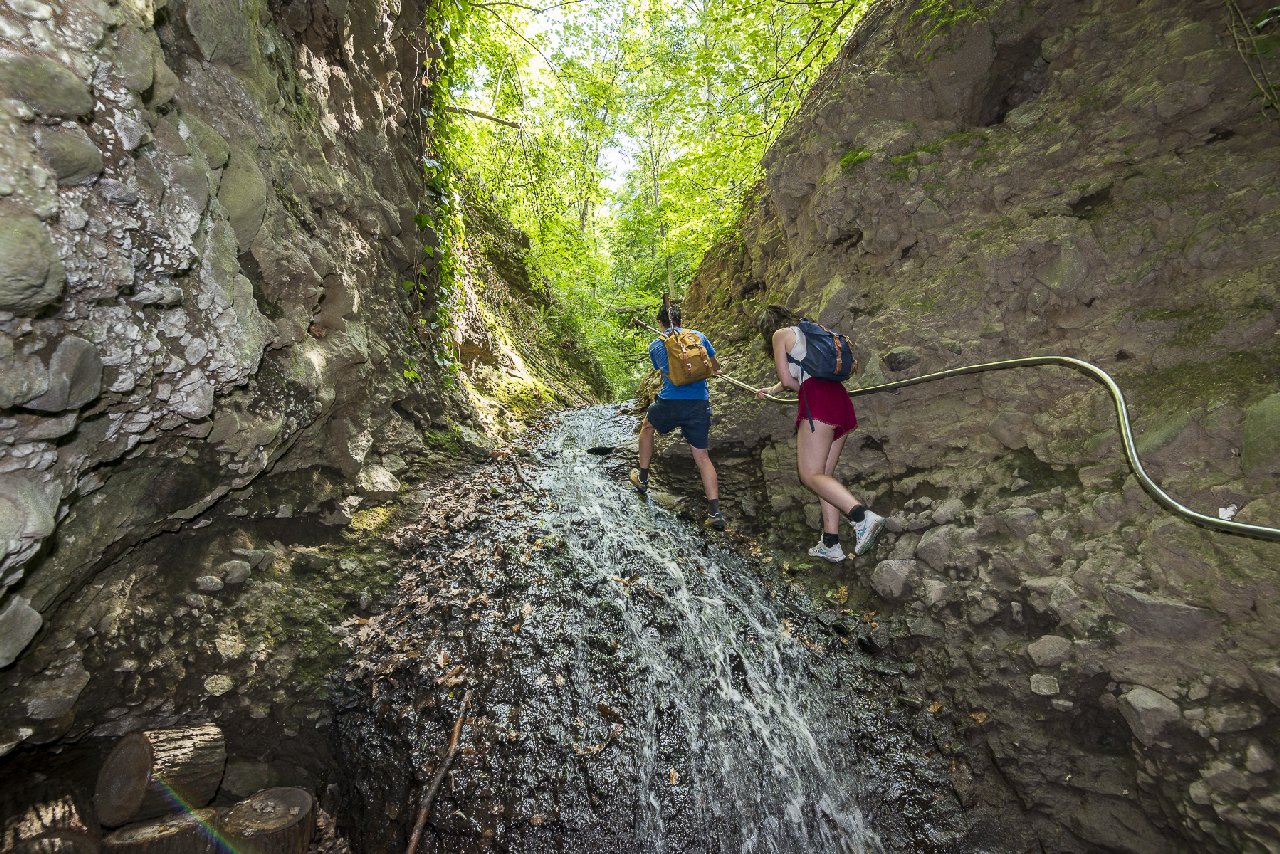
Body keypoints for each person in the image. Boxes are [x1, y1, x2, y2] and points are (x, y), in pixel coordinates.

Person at [757, 323, 884, 560]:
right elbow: (795, 374)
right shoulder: (810, 335)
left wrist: (800, 389)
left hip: (818, 402)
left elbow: (787, 380)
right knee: (823, 474)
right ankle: (831, 543)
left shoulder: (778, 333)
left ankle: (862, 517)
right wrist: (773, 390)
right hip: (839, 400)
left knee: (810, 475)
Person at [630, 303, 726, 530]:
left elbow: (666, 374)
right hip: (698, 403)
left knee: (647, 427)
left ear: (660, 323)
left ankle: (643, 477)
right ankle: (715, 512)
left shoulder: (656, 344)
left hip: (671, 401)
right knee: (702, 456)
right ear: (681, 320)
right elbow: (715, 367)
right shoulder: (698, 336)